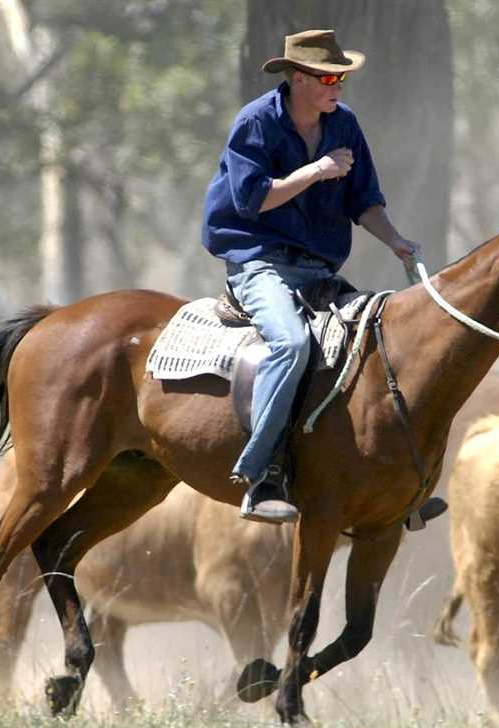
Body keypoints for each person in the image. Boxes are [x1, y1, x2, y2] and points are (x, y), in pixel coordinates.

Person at [202, 29, 420, 524]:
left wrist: (395, 241)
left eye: (340, 77)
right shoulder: (256, 122)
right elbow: (253, 199)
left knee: (378, 343)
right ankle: (262, 476)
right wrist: (318, 170)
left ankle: (389, 484)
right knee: (292, 345)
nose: (337, 85)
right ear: (297, 78)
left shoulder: (344, 124)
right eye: (327, 77)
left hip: (317, 268)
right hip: (258, 261)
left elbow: (364, 201)